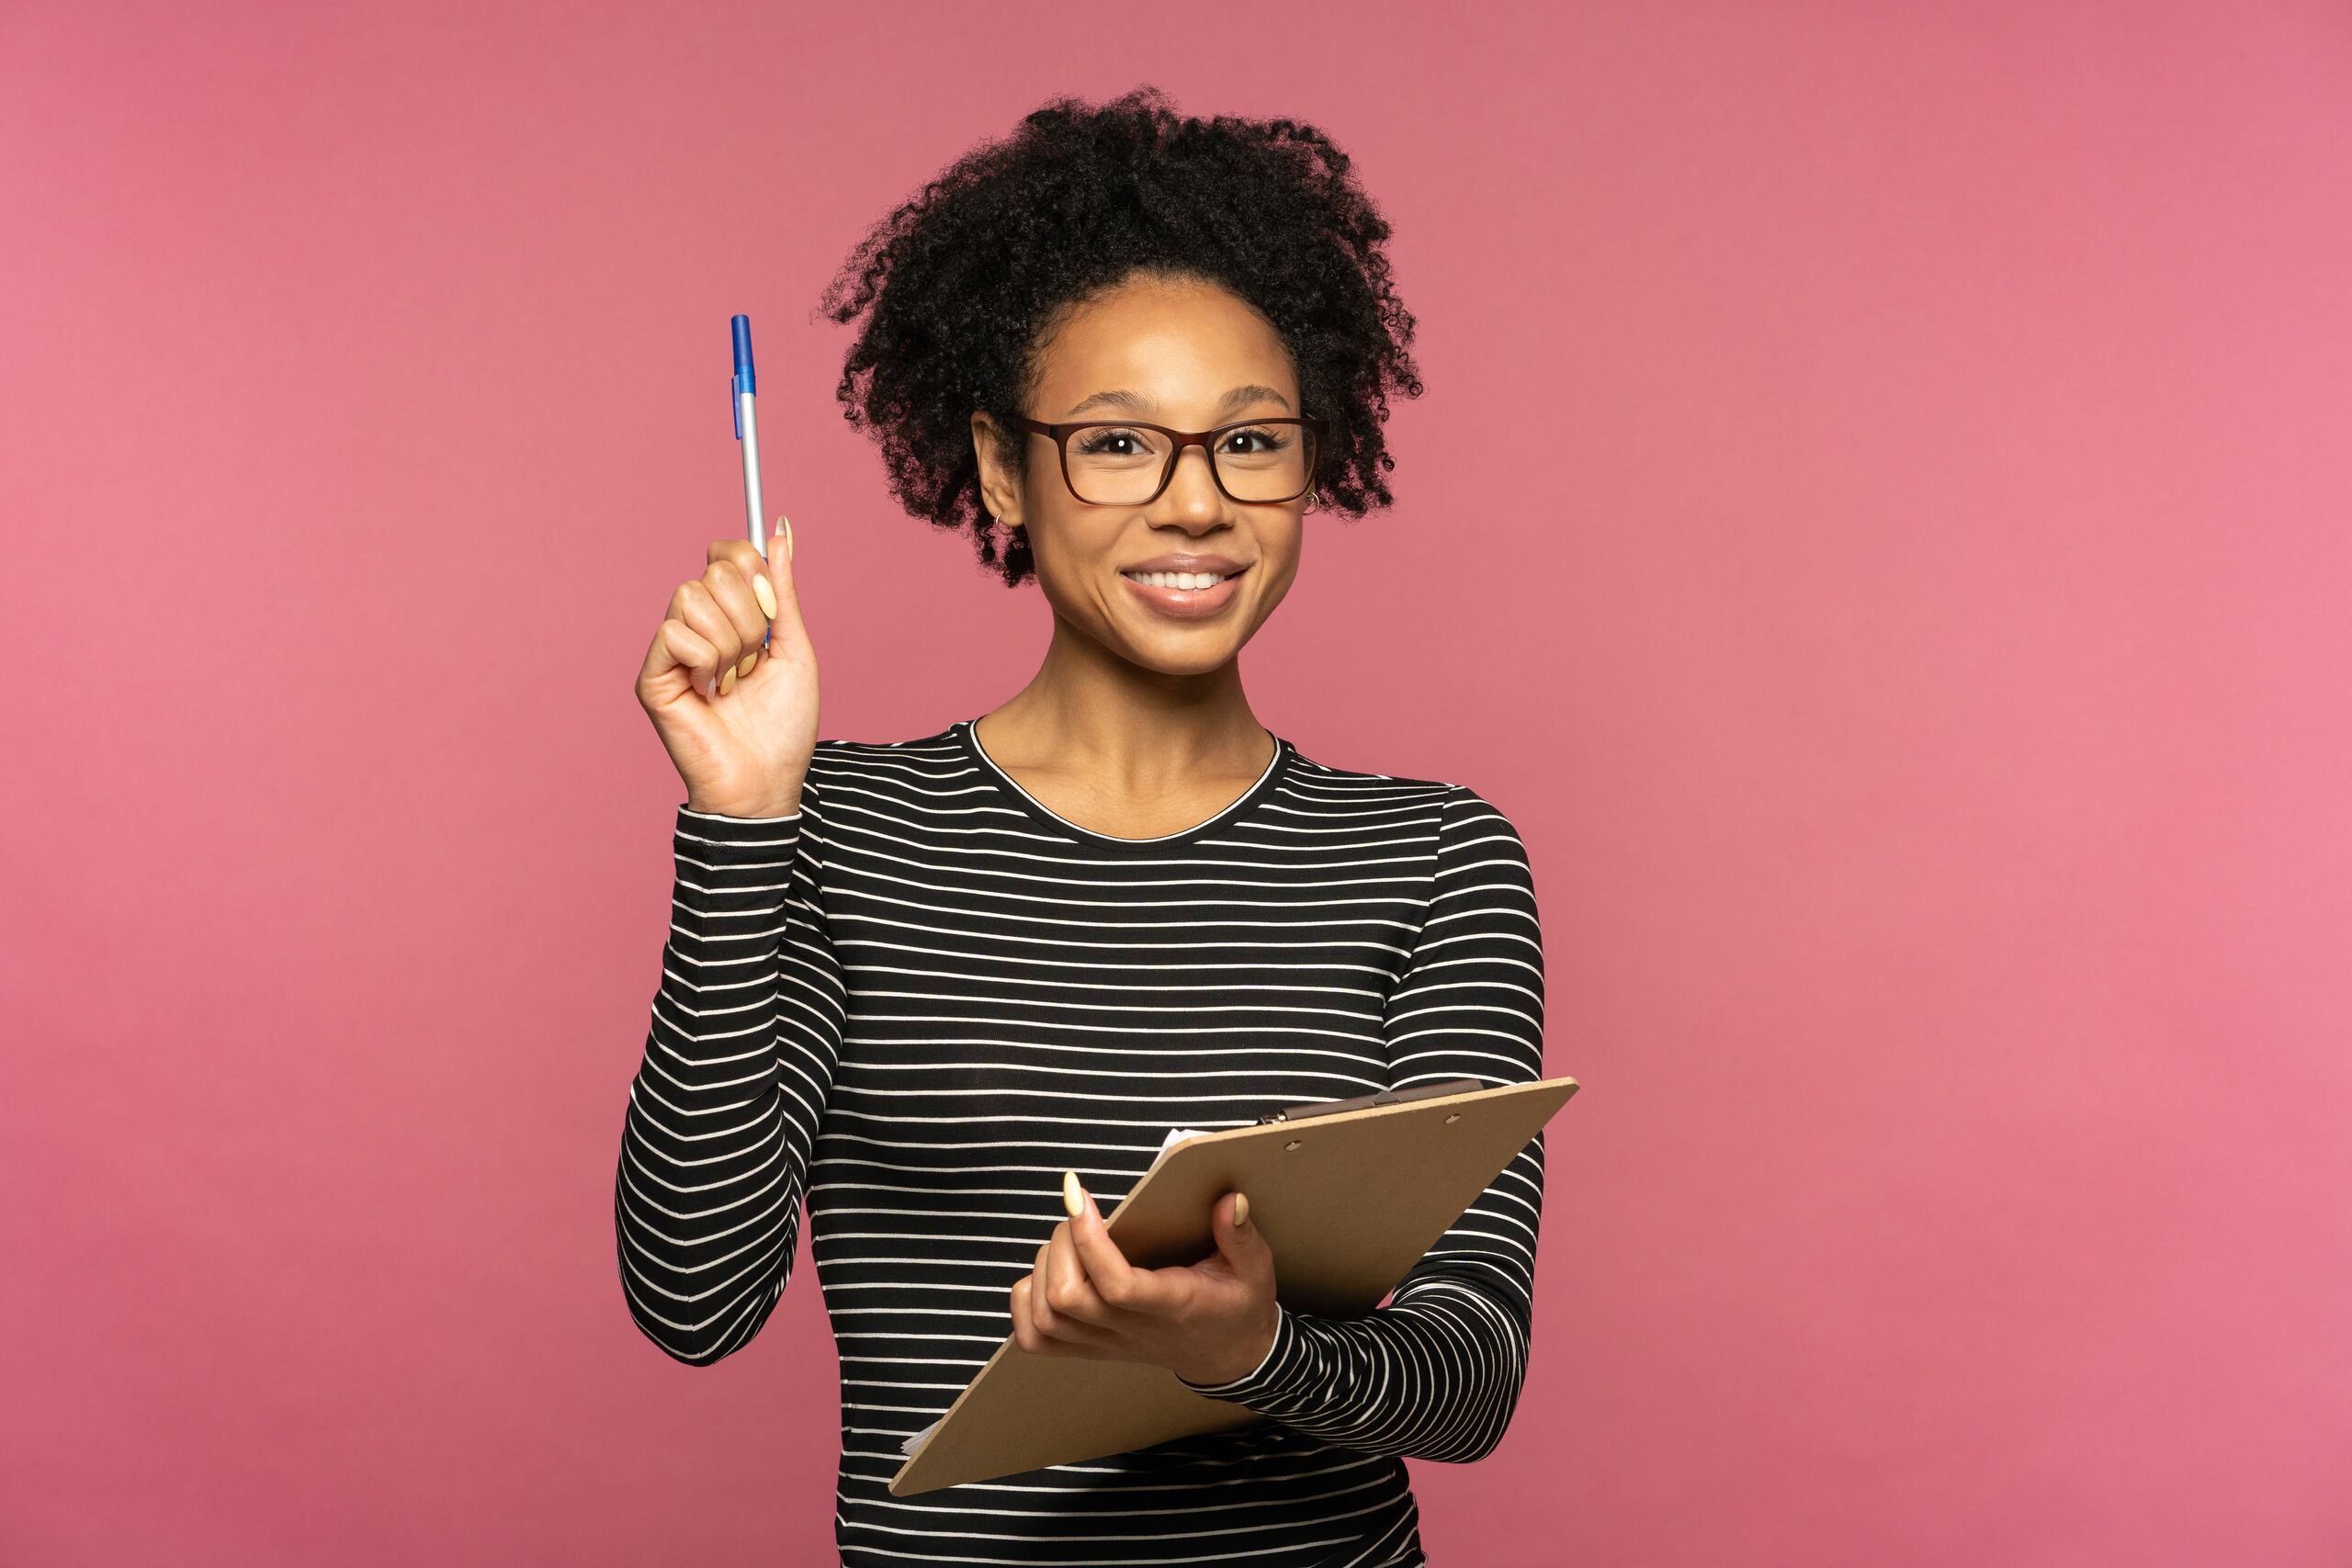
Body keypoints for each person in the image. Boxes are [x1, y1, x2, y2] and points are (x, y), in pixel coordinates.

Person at [615, 85, 1548, 1568]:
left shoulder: (1432, 860)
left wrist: (1248, 1349)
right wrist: (741, 821)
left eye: (1251, 444)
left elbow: (1471, 1377)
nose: (1197, 506)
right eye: (1118, 445)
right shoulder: (841, 831)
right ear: (1002, 467)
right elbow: (691, 1300)